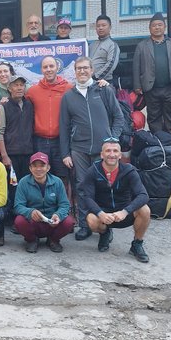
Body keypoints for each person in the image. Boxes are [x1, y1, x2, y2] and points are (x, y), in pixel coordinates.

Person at [60, 56, 125, 241]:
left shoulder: (103, 90)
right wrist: (65, 153)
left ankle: (106, 225)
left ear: (92, 70)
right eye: (78, 68)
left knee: (103, 186)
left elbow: (118, 117)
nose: (82, 71)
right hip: (78, 149)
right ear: (74, 72)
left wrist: (112, 141)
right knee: (82, 186)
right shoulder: (68, 96)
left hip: (102, 150)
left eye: (85, 68)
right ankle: (84, 225)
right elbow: (64, 127)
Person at [80, 138, 151, 263]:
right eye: (108, 151)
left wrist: (125, 211)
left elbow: (143, 195)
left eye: (115, 151)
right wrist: (100, 213)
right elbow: (87, 197)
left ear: (120, 155)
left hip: (124, 213)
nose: (111, 154)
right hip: (104, 213)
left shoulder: (129, 171)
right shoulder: (92, 171)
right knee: (91, 219)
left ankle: (137, 244)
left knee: (145, 210)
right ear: (102, 155)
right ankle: (105, 233)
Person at [132, 12, 171, 134]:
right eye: (154, 25)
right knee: (154, 115)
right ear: (150, 28)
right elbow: (136, 67)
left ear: (164, 27)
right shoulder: (142, 46)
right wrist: (137, 86)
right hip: (151, 88)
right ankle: (158, 139)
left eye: (160, 25)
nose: (157, 27)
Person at [26, 55, 72, 188]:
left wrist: (101, 83)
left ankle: (65, 207)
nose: (48, 69)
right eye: (45, 67)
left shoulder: (68, 88)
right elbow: (19, 102)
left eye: (51, 66)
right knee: (41, 175)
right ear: (41, 70)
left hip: (61, 141)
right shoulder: (33, 91)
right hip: (40, 141)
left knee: (63, 175)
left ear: (57, 67)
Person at [14, 152, 75, 253]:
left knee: (69, 222)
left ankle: (53, 240)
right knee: (19, 221)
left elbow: (64, 204)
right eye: (35, 166)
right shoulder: (23, 182)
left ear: (48, 167)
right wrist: (30, 212)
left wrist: (58, 215)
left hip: (52, 221)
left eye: (42, 165)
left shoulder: (57, 182)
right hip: (34, 222)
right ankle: (32, 240)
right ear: (30, 168)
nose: (38, 169)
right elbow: (18, 206)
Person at [0, 75, 35, 183]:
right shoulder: (3, 107)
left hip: (28, 153)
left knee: (28, 185)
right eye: (16, 85)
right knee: (14, 186)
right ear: (9, 88)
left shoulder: (30, 105)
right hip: (11, 155)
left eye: (22, 85)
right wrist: (4, 156)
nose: (19, 88)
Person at [89, 15, 120, 83]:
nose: (100, 28)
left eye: (103, 25)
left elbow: (111, 64)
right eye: (98, 26)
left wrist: (96, 77)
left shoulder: (112, 45)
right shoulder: (92, 45)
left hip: (104, 82)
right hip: (90, 82)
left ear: (110, 27)